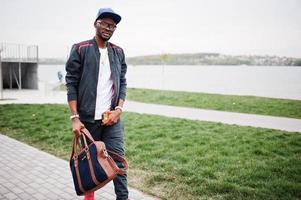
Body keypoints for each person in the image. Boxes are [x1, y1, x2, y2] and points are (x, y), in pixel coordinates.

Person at [65, 8, 128, 200]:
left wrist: (118, 109)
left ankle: (123, 198)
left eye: (113, 25)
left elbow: (122, 82)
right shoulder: (80, 49)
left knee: (118, 161)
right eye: (105, 23)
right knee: (90, 163)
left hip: (111, 119)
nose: (109, 28)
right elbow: (71, 83)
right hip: (86, 119)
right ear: (96, 24)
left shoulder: (118, 52)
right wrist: (75, 117)